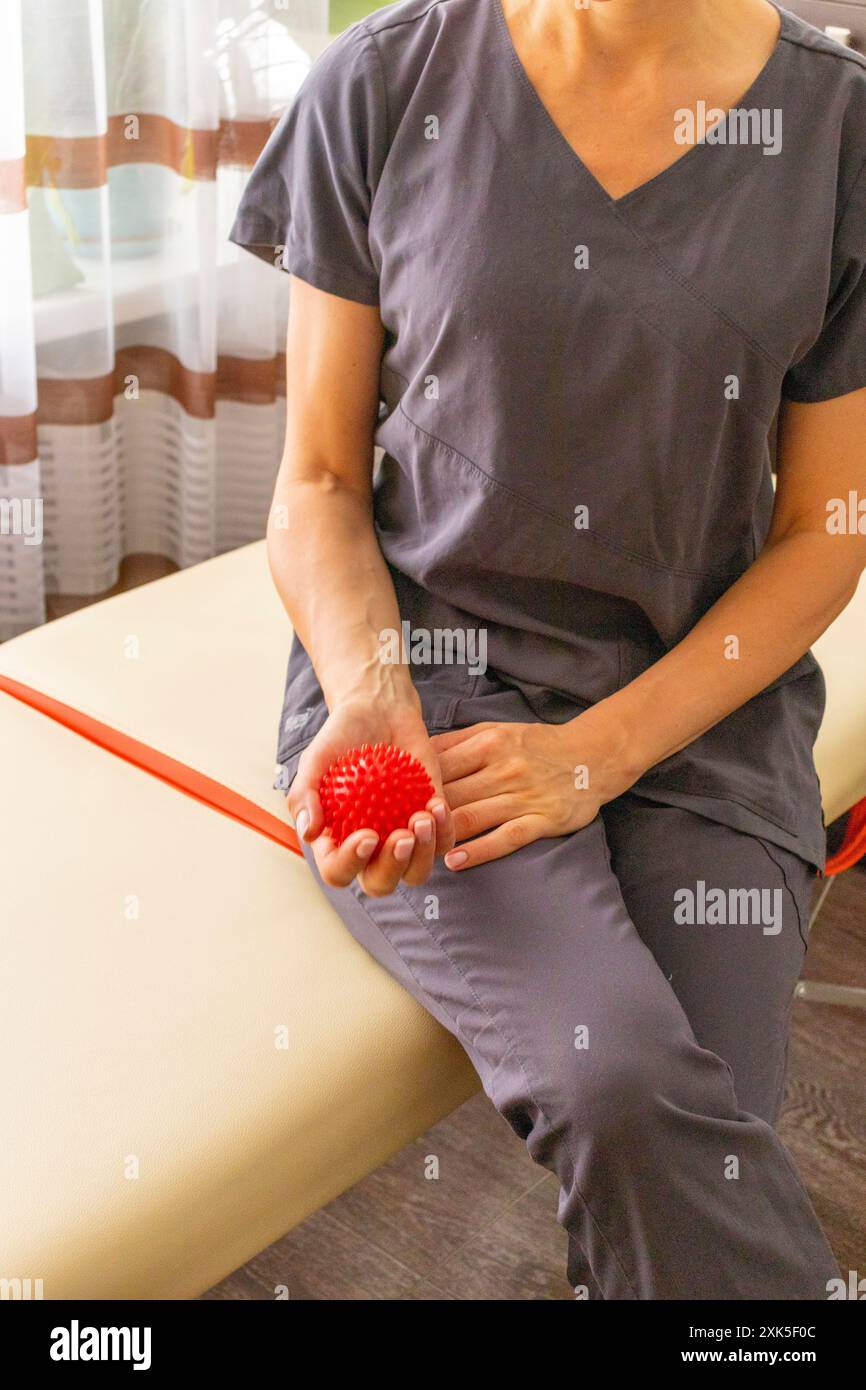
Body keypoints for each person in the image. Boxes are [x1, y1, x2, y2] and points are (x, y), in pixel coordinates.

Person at [230, 0, 866, 1298]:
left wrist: (593, 754)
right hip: (424, 696)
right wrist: (369, 686)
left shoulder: (838, 132)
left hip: (693, 710)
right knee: (621, 1078)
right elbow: (314, 480)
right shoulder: (382, 84)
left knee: (704, 1153)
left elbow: (823, 527)